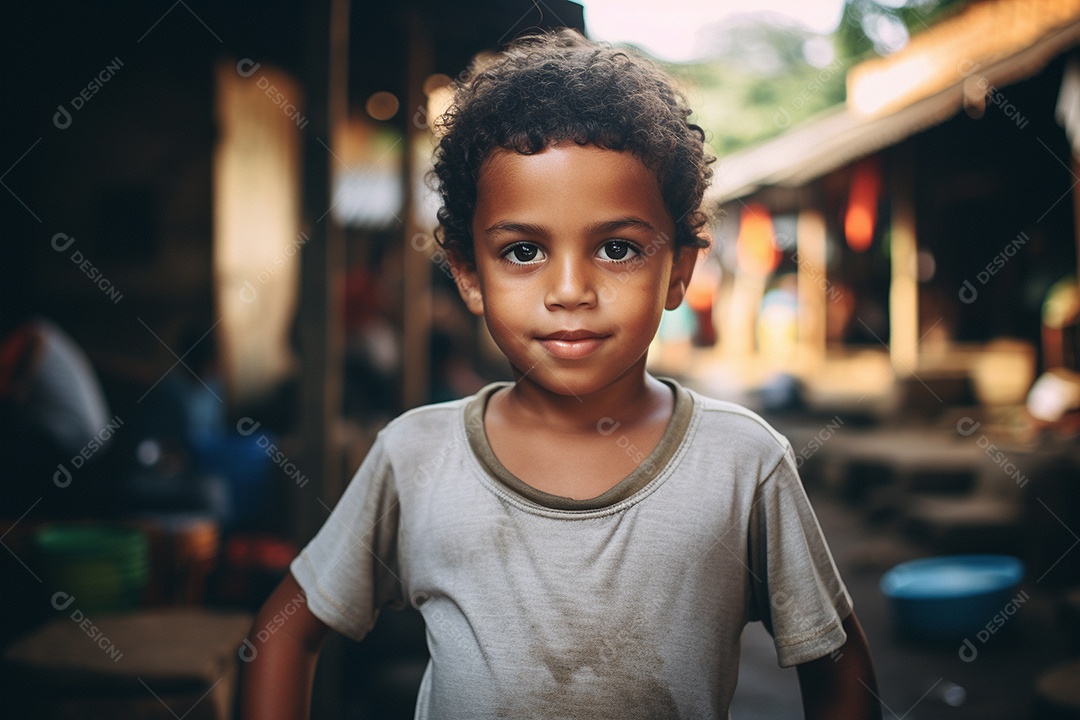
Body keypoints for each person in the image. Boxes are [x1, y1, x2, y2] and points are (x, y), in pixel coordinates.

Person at [241, 30, 880, 719]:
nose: (570, 289)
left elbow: (841, 669)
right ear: (468, 275)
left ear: (679, 272)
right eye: (522, 250)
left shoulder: (742, 463)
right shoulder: (417, 457)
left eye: (616, 248)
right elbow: (282, 635)